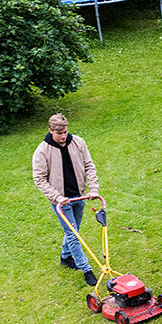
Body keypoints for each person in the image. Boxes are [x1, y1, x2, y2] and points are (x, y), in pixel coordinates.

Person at [31, 113, 101, 286]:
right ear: (50, 130)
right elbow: (39, 179)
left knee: (73, 230)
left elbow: (89, 166)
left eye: (65, 132)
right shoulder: (42, 151)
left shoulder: (78, 142)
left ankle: (65, 257)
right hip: (61, 202)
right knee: (73, 234)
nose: (63, 136)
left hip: (79, 195)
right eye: (59, 133)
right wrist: (57, 197)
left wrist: (93, 189)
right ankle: (85, 269)